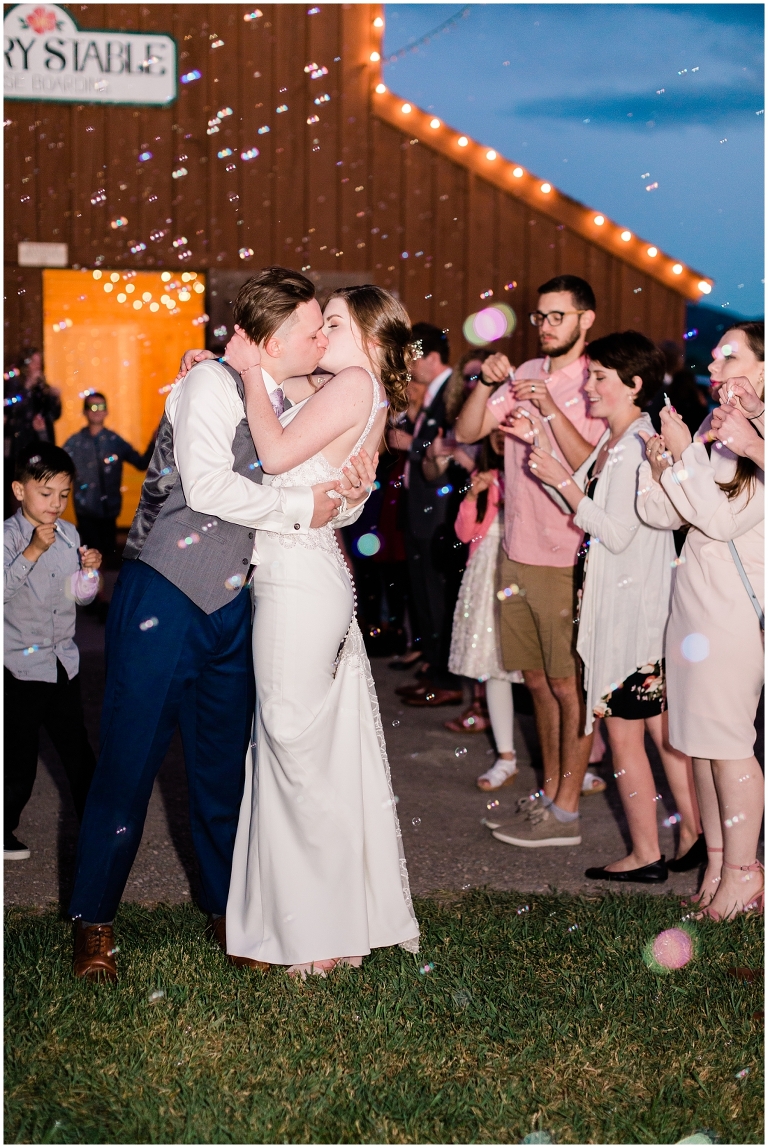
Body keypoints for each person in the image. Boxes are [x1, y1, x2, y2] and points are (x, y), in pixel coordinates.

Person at [68, 268, 375, 982]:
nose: (320, 337)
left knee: (219, 770)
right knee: (128, 762)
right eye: (310, 328)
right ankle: (94, 922)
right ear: (273, 339)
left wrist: (349, 493)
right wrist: (305, 511)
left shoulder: (293, 395)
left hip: (237, 605)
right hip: (165, 596)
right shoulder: (210, 385)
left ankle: (226, 908)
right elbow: (206, 487)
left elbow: (314, 472)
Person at [222, 284, 420, 975]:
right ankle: (309, 921)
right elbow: (294, 397)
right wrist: (238, 367)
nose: (317, 332)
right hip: (302, 572)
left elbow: (274, 456)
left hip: (300, 580)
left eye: (330, 322)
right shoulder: (354, 387)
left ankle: (313, 936)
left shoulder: (356, 382)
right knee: (301, 749)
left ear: (367, 336)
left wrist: (247, 369)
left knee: (291, 745)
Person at [507, 332, 701, 878]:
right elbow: (582, 506)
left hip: (630, 618)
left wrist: (564, 483)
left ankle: (646, 855)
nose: (588, 386)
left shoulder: (638, 446)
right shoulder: (619, 442)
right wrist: (541, 452)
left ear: (634, 385)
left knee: (624, 738)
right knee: (661, 734)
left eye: (599, 377)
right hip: (634, 613)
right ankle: (693, 833)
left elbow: (612, 532)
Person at [455, 275, 606, 846]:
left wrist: (547, 415)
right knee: (537, 683)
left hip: (566, 553)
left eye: (558, 316)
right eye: (540, 316)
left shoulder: (595, 382)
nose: (545, 326)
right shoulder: (523, 375)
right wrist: (484, 383)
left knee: (571, 688)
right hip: (515, 552)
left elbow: (598, 465)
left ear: (585, 320)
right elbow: (470, 429)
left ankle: (566, 812)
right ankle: (548, 793)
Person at [637, 321, 764, 919]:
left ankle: (744, 873)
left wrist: (687, 455)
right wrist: (663, 463)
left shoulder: (760, 438)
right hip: (694, 603)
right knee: (705, 749)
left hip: (735, 612)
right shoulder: (725, 433)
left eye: (730, 357)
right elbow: (671, 517)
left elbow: (721, 521)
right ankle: (718, 866)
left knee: (731, 747)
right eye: (713, 357)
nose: (714, 366)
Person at [4, 442, 102, 860]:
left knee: (77, 751)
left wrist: (89, 575)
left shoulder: (69, 535)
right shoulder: (9, 538)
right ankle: (4, 828)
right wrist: (31, 551)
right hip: (19, 668)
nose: (56, 504)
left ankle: (97, 826)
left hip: (62, 663)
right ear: (19, 490)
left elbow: (77, 598)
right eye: (46, 494)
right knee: (17, 757)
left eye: (64, 495)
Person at [396, 324, 469, 707]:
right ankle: (433, 668)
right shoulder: (432, 395)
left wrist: (411, 444)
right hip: (421, 507)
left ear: (432, 358)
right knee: (424, 595)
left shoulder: (452, 394)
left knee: (436, 596)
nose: (409, 366)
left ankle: (446, 679)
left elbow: (451, 441)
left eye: (413, 358)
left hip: (437, 512)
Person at [448, 429, 523, 789]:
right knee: (493, 667)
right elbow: (464, 532)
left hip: (522, 572)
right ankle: (506, 756)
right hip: (486, 573)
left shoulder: (533, 474)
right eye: (494, 430)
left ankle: (580, 760)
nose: (499, 436)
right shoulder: (487, 478)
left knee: (542, 673)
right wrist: (472, 496)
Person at [63, 392, 157, 563]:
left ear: (106, 411)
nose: (97, 411)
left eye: (101, 407)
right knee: (90, 558)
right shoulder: (74, 443)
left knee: (109, 558)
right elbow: (58, 466)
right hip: (85, 512)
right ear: (84, 412)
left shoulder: (115, 441)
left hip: (109, 511)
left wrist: (154, 441)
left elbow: (141, 463)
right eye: (92, 407)